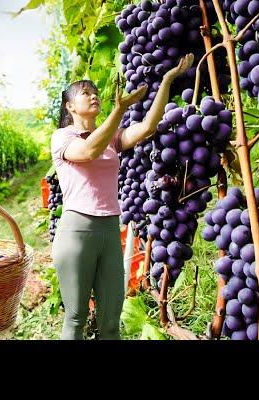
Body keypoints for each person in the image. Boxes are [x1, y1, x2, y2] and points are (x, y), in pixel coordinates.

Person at [50, 53, 195, 340]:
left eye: (95, 92)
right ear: (70, 106)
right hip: (77, 230)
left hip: (109, 229)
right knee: (76, 316)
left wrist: (167, 80)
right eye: (85, 93)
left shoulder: (111, 138)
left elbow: (147, 127)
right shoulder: (63, 137)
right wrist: (119, 109)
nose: (93, 96)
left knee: (110, 320)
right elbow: (89, 151)